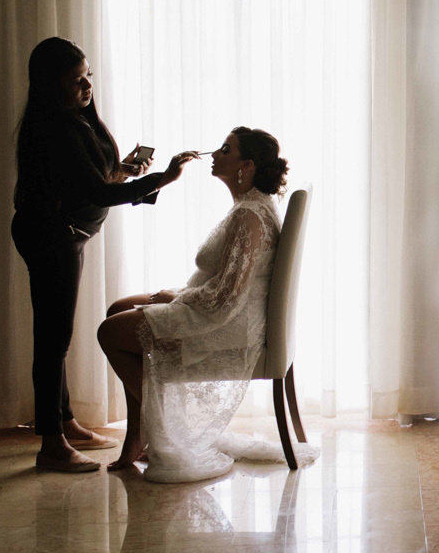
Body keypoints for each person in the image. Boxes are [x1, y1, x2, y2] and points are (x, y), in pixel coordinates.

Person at [12, 37, 197, 473]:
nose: (87, 86)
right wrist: (162, 179)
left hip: (66, 236)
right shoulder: (54, 127)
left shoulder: (75, 120)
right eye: (76, 79)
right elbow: (96, 193)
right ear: (51, 84)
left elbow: (90, 180)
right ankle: (51, 444)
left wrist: (124, 171)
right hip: (50, 238)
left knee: (57, 334)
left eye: (88, 76)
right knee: (53, 339)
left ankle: (65, 422)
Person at [98, 127, 299, 482]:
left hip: (225, 322)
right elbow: (227, 283)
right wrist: (179, 294)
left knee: (109, 333)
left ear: (247, 165)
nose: (215, 154)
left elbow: (227, 298)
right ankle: (140, 433)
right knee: (117, 310)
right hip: (219, 307)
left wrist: (178, 297)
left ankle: (162, 429)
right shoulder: (248, 206)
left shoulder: (249, 215)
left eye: (226, 149)